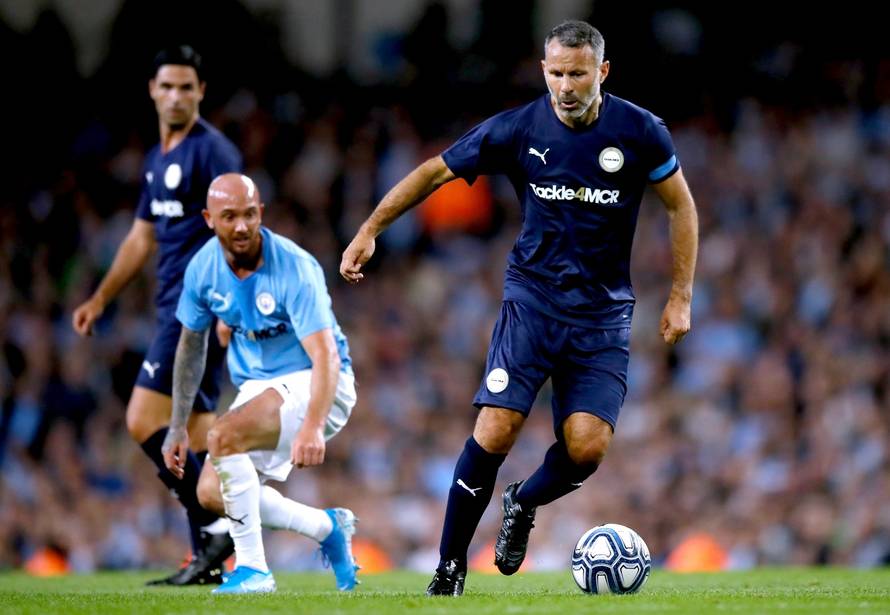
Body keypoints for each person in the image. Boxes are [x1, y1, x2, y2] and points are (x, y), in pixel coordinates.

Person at [340, 20, 698, 596]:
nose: (566, 86)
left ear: (602, 72)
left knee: (587, 449)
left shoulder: (640, 131)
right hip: (532, 304)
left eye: (578, 74)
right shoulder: (518, 128)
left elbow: (680, 206)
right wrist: (370, 229)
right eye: (556, 73)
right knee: (496, 428)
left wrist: (680, 295)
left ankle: (523, 501)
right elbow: (435, 171)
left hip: (602, 316)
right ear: (543, 71)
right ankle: (450, 568)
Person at [72, 45, 242, 585]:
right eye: (166, 86)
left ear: (201, 92)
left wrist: (231, 302)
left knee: (142, 420)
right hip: (172, 306)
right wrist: (101, 298)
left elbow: (239, 228)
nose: (175, 96)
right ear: (152, 90)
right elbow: (141, 238)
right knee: (195, 435)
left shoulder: (212, 152)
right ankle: (208, 559)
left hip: (196, 310)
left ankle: (217, 527)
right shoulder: (157, 159)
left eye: (186, 87)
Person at [162, 173, 359, 594]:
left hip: (321, 381)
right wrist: (177, 425)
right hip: (261, 385)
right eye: (229, 216)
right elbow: (190, 348)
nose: (241, 226)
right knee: (212, 493)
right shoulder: (203, 269)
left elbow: (325, 354)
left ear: (261, 214)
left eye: (249, 215)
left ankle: (254, 570)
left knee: (222, 436)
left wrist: (312, 426)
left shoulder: (294, 266)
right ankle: (326, 527)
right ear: (208, 219)